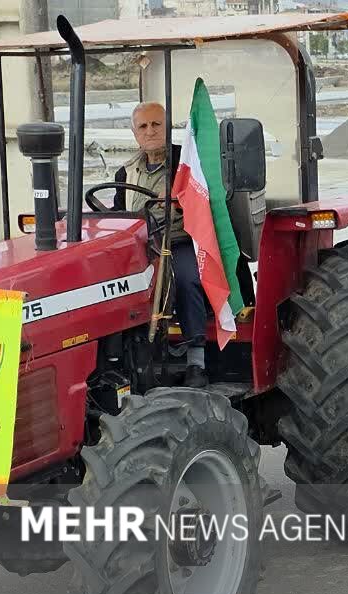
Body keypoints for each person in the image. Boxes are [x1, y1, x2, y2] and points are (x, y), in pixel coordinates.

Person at [113, 101, 208, 388]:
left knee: (187, 280)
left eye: (156, 124)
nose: (150, 131)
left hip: (177, 241)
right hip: (141, 248)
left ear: (167, 129)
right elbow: (118, 216)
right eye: (143, 126)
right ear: (134, 133)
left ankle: (196, 361)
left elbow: (204, 204)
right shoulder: (125, 173)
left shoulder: (186, 164)